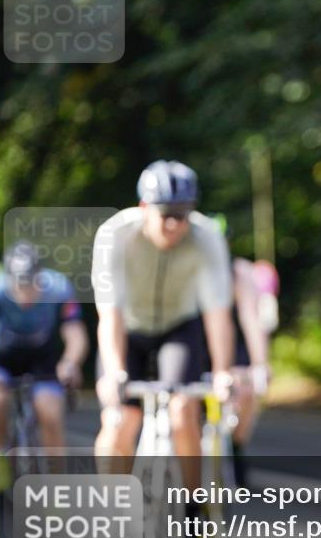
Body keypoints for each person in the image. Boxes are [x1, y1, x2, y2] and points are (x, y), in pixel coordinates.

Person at [91, 160, 234, 492]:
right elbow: (109, 314)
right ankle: (114, 515)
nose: (174, 225)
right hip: (128, 329)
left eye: (182, 215)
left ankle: (192, 511)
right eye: (165, 214)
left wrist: (224, 370)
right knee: (120, 421)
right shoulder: (114, 235)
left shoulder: (207, 238)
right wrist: (114, 373)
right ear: (144, 207)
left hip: (177, 329)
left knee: (183, 410)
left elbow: (217, 315)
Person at [0, 241, 88, 487]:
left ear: (40, 276)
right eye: (18, 284)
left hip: (42, 359)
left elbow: (75, 331)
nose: (24, 291)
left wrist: (70, 362)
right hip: (3, 358)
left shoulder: (58, 289)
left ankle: (57, 486)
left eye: (29, 283)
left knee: (49, 410)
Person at [211, 214, 280, 482]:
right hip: (200, 342)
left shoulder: (238, 272)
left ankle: (236, 447)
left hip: (232, 342)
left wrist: (260, 364)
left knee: (246, 390)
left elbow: (251, 319)